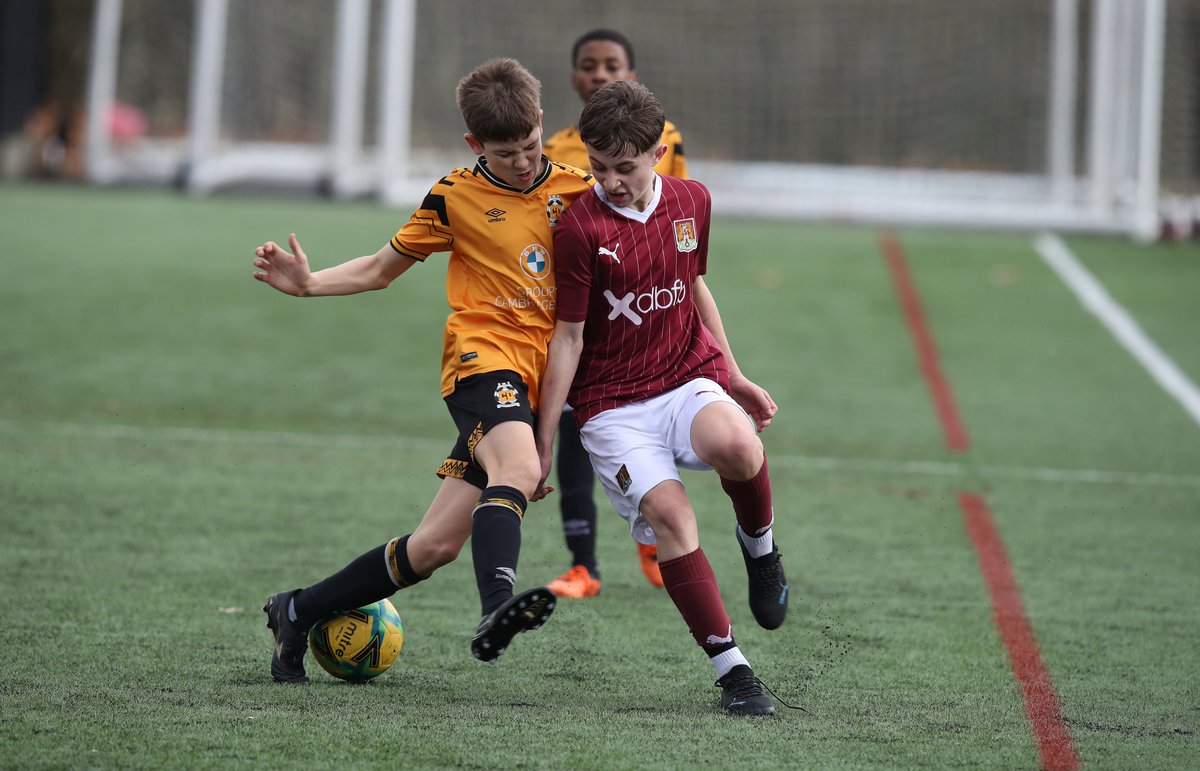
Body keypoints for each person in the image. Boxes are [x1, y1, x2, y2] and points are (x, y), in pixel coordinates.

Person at [252, 58, 594, 682]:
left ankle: (296, 610)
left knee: (434, 546)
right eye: (504, 152)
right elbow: (381, 268)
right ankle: (497, 608)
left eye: (528, 146)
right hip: (481, 361)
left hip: (538, 379)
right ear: (473, 145)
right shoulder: (454, 196)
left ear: (542, 123)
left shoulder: (579, 191)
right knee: (518, 467)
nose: (521, 161)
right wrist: (309, 284)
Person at [533, 80, 789, 716]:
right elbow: (566, 338)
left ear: (657, 151)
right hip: (612, 407)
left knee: (739, 444)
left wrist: (733, 374)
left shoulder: (692, 201)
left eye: (625, 168)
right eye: (598, 168)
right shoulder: (579, 228)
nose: (611, 181)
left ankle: (761, 552)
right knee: (674, 521)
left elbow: (695, 287)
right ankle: (734, 672)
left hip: (683, 378)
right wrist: (543, 443)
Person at [542, 28, 689, 599]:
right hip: (583, 309)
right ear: (575, 76)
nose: (599, 74)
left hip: (645, 307)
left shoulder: (665, 137)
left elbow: (676, 218)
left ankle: (655, 535)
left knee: (655, 420)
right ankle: (583, 565)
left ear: (630, 72)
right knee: (576, 425)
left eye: (611, 65)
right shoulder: (555, 149)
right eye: (588, 66)